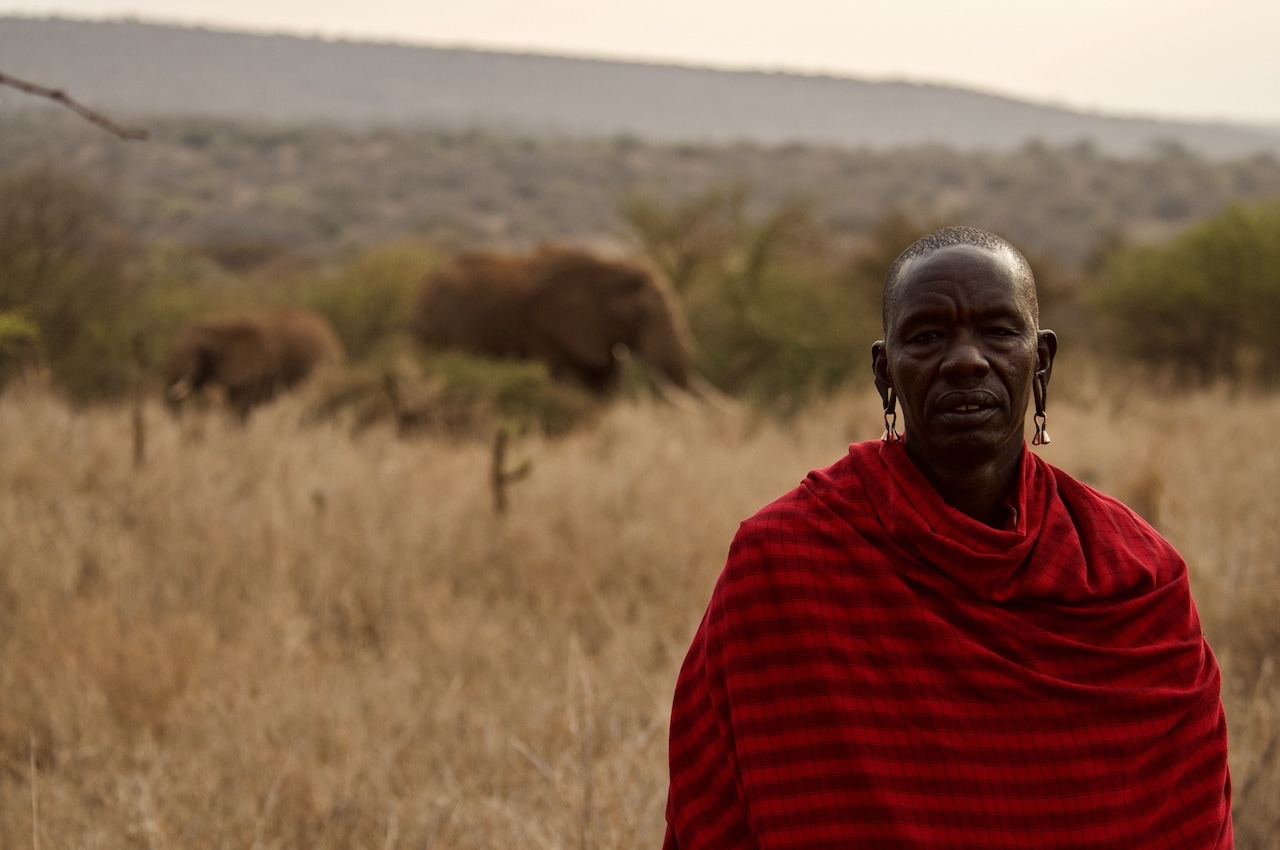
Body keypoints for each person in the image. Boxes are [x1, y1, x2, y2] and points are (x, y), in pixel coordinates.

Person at [663, 227, 1232, 848]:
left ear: (1041, 359)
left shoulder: (1136, 576)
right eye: (928, 336)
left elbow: (1189, 825)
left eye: (997, 331)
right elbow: (715, 819)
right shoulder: (783, 561)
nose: (966, 359)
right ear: (885, 372)